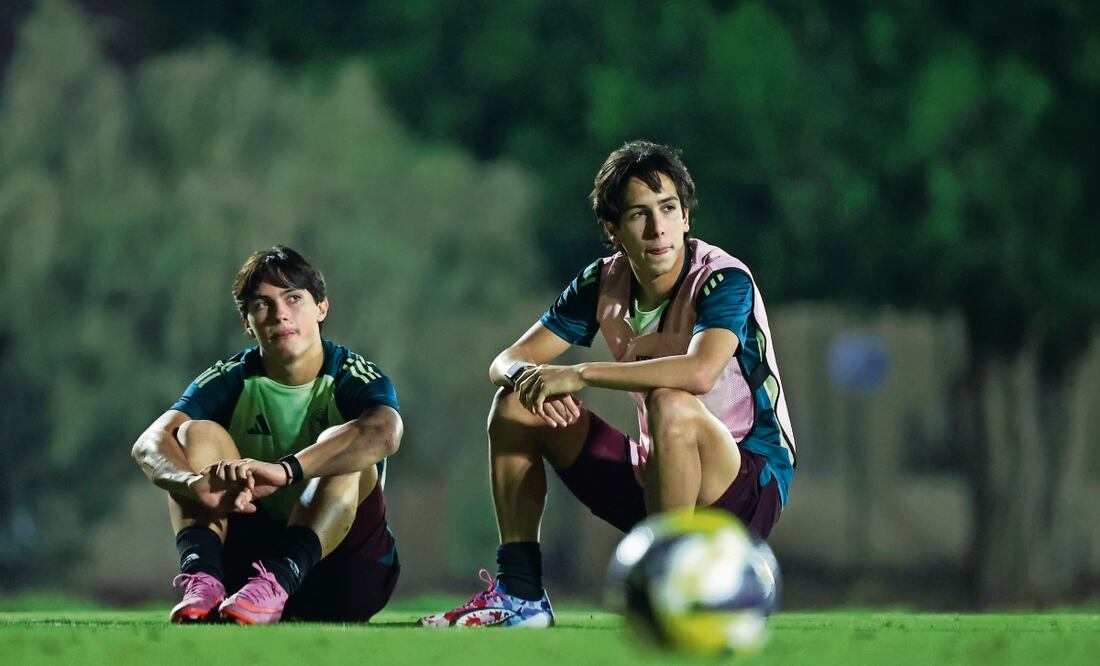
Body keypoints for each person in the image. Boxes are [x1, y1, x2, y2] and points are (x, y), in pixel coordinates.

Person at [420, 141, 796, 628]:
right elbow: (507, 360)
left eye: (668, 209)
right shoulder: (602, 283)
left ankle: (666, 587)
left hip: (746, 482)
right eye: (639, 214)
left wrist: (579, 374)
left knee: (672, 403)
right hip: (660, 473)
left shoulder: (723, 281)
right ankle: (521, 597)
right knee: (514, 405)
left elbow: (700, 372)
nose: (657, 228)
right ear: (614, 228)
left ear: (686, 218)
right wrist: (529, 381)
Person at [132, 246, 402, 624]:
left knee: (348, 450)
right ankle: (204, 581)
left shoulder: (351, 375)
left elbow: (386, 434)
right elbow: (148, 444)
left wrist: (286, 471)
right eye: (263, 304)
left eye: (294, 298)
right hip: (246, 581)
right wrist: (193, 483)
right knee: (194, 434)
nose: (280, 314)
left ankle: (281, 578)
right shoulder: (231, 377)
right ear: (247, 321)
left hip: (342, 576)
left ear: (322, 308)